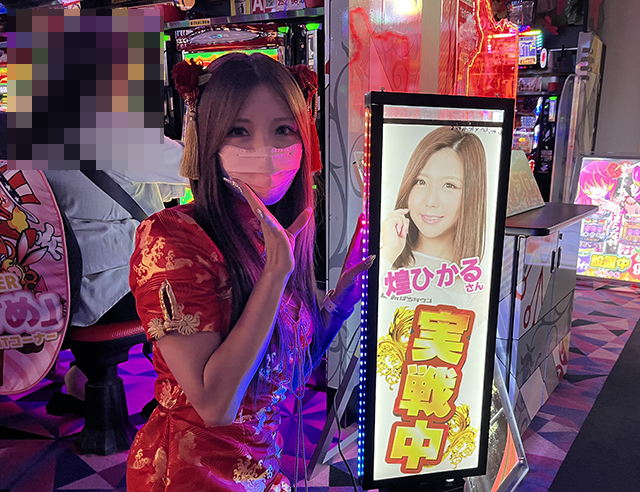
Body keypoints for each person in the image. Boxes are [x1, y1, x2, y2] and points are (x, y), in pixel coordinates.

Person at [126, 53, 372, 491]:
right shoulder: (171, 239)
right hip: (190, 474)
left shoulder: (273, 232)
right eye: (239, 131)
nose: (266, 152)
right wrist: (276, 274)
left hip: (262, 465)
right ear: (208, 139)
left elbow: (283, 373)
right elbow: (215, 405)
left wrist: (340, 301)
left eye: (283, 130)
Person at [43, 136, 189, 396]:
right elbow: (197, 163)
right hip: (108, 295)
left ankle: (84, 377)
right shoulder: (113, 133)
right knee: (218, 282)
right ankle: (185, 396)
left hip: (56, 292)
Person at [379, 127, 487, 309]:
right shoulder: (387, 260)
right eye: (421, 182)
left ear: (472, 196)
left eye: (449, 185)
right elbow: (354, 306)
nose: (430, 201)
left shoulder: (477, 286)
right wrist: (388, 253)